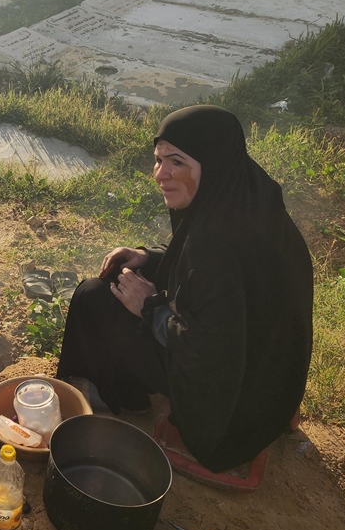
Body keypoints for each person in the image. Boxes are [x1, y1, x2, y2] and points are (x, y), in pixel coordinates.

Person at [55, 105, 313, 487]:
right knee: (126, 278)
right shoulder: (249, 195)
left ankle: (115, 395)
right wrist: (150, 258)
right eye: (159, 159)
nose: (161, 174)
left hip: (227, 412)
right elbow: (215, 288)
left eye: (177, 162)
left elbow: (208, 352)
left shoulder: (216, 246)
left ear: (212, 161)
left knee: (95, 295)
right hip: (269, 382)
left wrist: (149, 306)